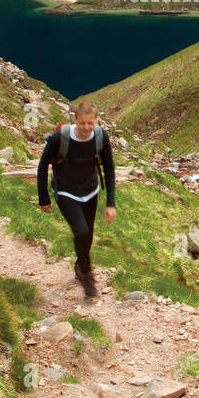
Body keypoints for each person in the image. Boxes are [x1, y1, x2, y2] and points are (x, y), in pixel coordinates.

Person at [37, 100, 115, 298]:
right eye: (82, 123)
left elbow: (109, 168)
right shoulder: (60, 138)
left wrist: (110, 203)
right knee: (80, 231)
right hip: (65, 191)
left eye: (91, 123)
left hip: (90, 191)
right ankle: (87, 275)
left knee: (88, 234)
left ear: (96, 121)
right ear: (75, 120)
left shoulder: (100, 137)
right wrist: (43, 198)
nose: (87, 128)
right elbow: (42, 165)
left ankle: (80, 265)